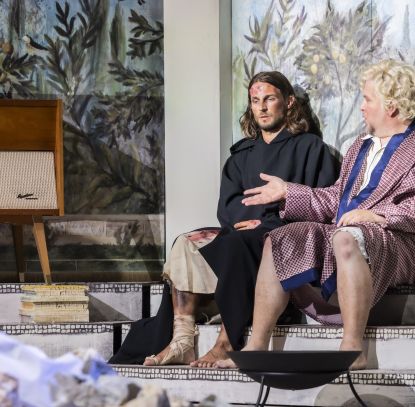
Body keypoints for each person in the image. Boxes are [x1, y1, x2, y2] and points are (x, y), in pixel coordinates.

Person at [216, 60, 415, 370]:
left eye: (368, 99)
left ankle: (353, 348)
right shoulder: (361, 146)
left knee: (346, 238)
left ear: (392, 107)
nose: (362, 107)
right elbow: (336, 199)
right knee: (278, 238)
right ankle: (257, 346)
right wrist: (288, 192)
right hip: (349, 229)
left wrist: (378, 215)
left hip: (402, 241)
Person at [109, 71, 338, 367]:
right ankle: (182, 340)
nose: (262, 107)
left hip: (284, 235)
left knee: (236, 244)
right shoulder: (241, 156)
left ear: (289, 102)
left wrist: (267, 223)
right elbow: (228, 206)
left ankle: (225, 342)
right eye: (255, 101)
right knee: (187, 242)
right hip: (240, 232)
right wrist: (250, 221)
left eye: (269, 99)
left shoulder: (311, 148)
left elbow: (321, 203)